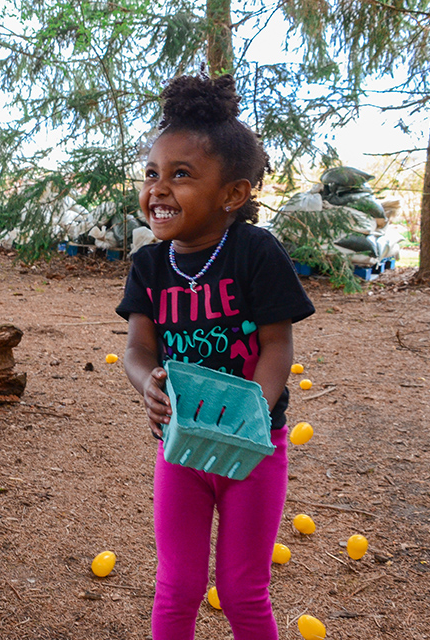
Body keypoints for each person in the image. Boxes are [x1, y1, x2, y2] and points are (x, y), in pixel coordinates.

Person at [117, 73, 315, 640]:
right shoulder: (150, 266)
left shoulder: (256, 253)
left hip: (252, 451)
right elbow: (138, 347)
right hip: (180, 448)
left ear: (233, 193)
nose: (158, 187)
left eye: (181, 175)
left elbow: (278, 344)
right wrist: (147, 383)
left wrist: (252, 408)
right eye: (152, 173)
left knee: (241, 590)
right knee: (176, 586)